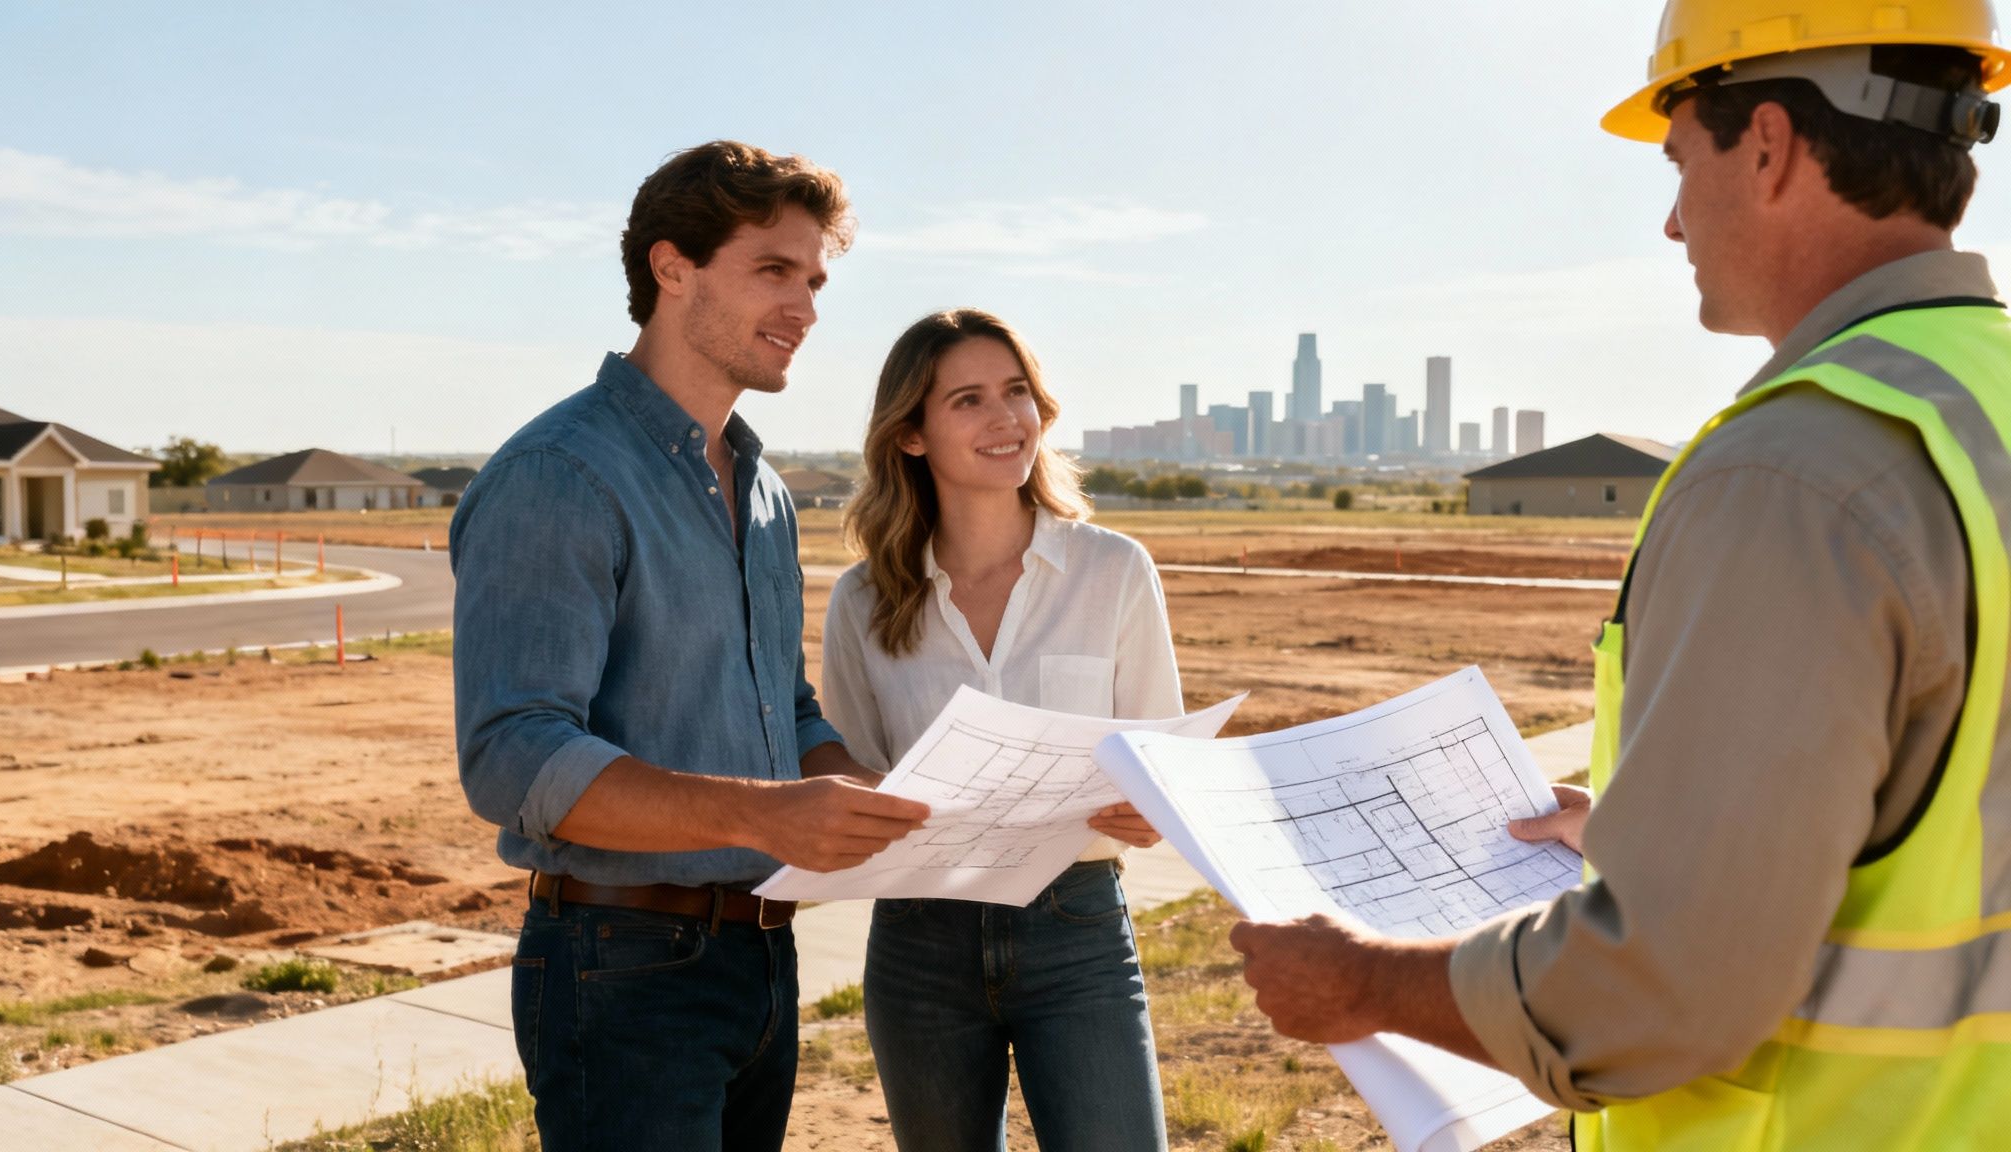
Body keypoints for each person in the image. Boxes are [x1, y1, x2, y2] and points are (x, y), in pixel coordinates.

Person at [1228, 3, 2011, 1148]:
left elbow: (1658, 993)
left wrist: (1358, 984)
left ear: (1767, 145)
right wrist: (1676, 825)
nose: (1667, 221)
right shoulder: (1975, 405)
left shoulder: (1792, 473)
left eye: (1676, 159)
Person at [450, 140, 930, 1151]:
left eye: (813, 281)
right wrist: (771, 817)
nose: (805, 308)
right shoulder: (558, 475)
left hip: (759, 958)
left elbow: (783, 711)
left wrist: (878, 798)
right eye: (773, 271)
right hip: (619, 965)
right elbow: (514, 756)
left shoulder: (762, 491)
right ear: (673, 269)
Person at [821, 308, 1179, 1151]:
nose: (1005, 418)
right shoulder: (863, 602)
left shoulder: (1115, 571)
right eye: (969, 400)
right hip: (919, 940)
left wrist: (1155, 807)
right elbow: (850, 773)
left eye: (1016, 392)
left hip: (1078, 931)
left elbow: (1166, 765)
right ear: (911, 435)